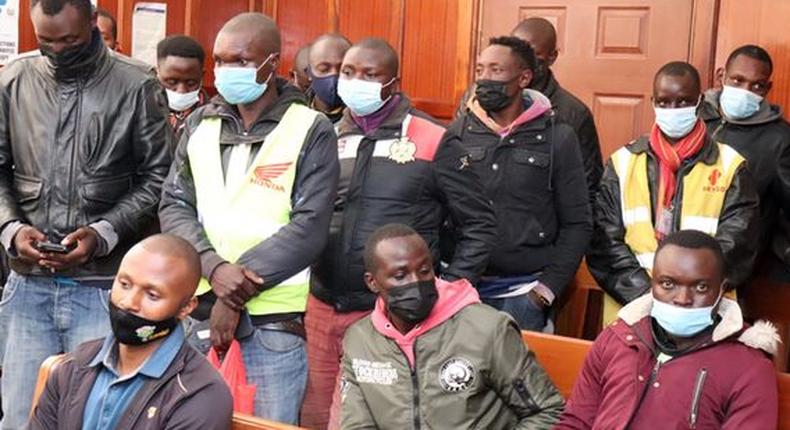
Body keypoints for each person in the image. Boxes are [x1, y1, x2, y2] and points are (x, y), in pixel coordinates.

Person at [301, 37, 497, 429]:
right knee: (318, 416)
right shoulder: (325, 135)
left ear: (393, 81)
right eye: (349, 73)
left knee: (383, 417)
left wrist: (450, 289)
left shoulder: (433, 138)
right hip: (324, 304)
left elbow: (478, 224)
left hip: (394, 313)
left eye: (370, 74)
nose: (357, 81)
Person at [158, 12, 339, 424]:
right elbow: (174, 204)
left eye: (239, 61)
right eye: (219, 61)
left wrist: (233, 292)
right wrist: (216, 269)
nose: (225, 71)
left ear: (271, 64)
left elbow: (309, 228)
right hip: (196, 313)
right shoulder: (201, 123)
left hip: (273, 325)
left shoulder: (309, 128)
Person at [0, 0, 171, 426]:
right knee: (21, 418)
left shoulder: (137, 84)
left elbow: (160, 178)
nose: (58, 50)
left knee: (95, 417)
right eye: (46, 41)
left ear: (94, 23)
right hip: (28, 284)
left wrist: (104, 232)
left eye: (70, 40)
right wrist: (10, 228)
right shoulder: (15, 78)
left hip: (103, 286)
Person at [340, 224, 564, 429]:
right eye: (400, 276)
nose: (416, 282)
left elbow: (548, 410)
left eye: (425, 270)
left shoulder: (486, 329)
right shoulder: (360, 341)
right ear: (372, 282)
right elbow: (358, 425)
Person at [586, 61, 759, 326]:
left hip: (703, 311)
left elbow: (737, 244)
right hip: (633, 308)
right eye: (665, 102)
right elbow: (604, 243)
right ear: (653, 102)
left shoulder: (730, 166)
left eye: (683, 102)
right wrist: (648, 297)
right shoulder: (622, 163)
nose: (673, 110)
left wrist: (685, 296)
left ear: (699, 102)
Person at [557, 230, 778, 429]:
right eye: (667, 284)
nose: (682, 299)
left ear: (721, 290)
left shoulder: (748, 367)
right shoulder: (618, 338)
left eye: (700, 287)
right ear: (652, 283)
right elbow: (577, 421)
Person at [447, 36, 591, 331]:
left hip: (523, 297)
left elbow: (578, 223)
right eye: (480, 70)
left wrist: (545, 291)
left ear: (524, 77)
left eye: (496, 70)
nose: (484, 79)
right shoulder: (456, 133)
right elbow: (435, 209)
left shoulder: (558, 137)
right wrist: (446, 284)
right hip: (462, 294)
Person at [30, 234, 233, 429]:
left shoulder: (198, 393)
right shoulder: (73, 366)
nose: (129, 302)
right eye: (124, 284)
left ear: (186, 307)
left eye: (152, 295)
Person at [456, 18, 603, 201]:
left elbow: (586, 188)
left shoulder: (573, 113)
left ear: (552, 57)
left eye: (532, 55)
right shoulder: (474, 99)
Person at [701, 45, 790, 279]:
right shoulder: (693, 120)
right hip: (676, 257)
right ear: (721, 76)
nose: (745, 91)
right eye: (738, 80)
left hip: (737, 270)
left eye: (757, 85)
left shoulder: (779, 139)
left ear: (767, 89)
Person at [157, 35, 209, 144]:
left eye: (191, 83)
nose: (181, 91)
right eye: (171, 82)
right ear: (157, 72)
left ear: (201, 76)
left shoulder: (214, 116)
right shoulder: (141, 110)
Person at [307, 33, 351, 124]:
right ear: (309, 73)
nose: (334, 75)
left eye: (343, 70)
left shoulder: (365, 119)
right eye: (324, 69)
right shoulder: (292, 116)